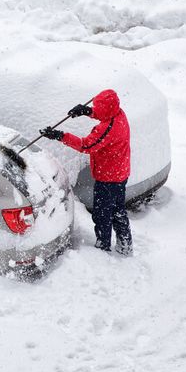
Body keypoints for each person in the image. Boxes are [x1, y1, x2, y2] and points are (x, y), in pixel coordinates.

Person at [39, 89, 133, 256]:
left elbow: (86, 145)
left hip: (108, 178)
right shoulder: (119, 114)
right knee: (118, 210)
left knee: (102, 214)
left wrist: (60, 136)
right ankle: (125, 245)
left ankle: (102, 246)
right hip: (119, 174)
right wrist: (87, 111)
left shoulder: (108, 128)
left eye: (97, 107)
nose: (95, 108)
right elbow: (106, 113)